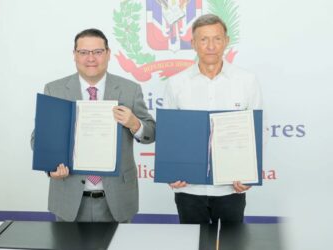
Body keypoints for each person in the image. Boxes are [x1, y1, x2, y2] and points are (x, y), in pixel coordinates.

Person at [31, 28, 155, 222]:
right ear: (74, 55)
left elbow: (151, 133)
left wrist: (134, 123)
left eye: (97, 52)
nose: (91, 58)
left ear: (108, 54)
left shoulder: (129, 89)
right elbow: (39, 138)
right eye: (83, 52)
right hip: (69, 197)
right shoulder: (54, 89)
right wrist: (50, 167)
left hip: (117, 198)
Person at [163, 14, 263, 224]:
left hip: (231, 188)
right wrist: (171, 172)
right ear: (193, 44)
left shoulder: (246, 81)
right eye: (204, 39)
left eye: (217, 39)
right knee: (193, 244)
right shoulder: (176, 84)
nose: (211, 46)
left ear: (226, 41)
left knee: (231, 245)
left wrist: (249, 174)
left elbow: (256, 132)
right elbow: (169, 135)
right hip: (189, 188)